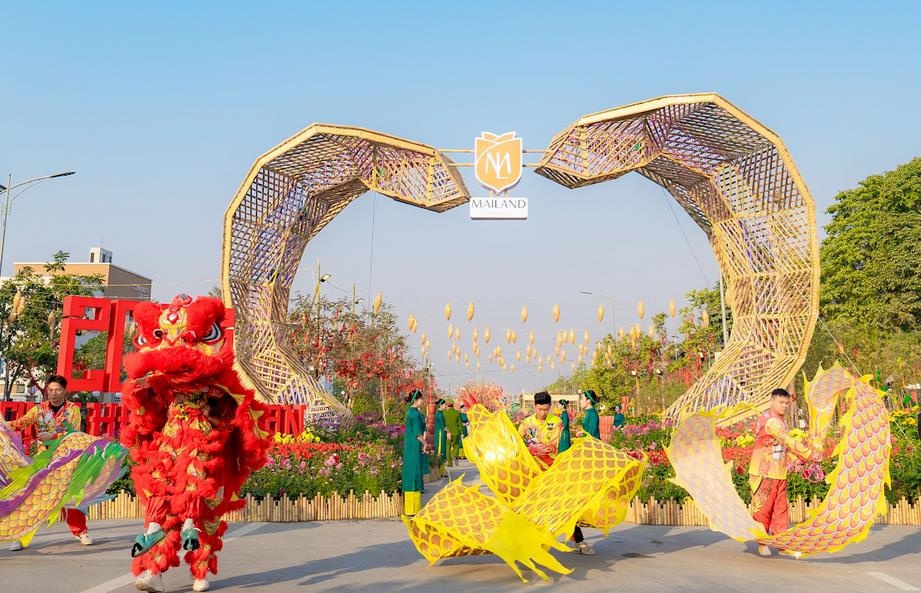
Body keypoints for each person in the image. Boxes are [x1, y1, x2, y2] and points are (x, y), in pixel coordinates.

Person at [7, 375, 94, 550]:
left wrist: (53, 436)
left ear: (64, 391)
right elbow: (20, 423)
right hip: (42, 460)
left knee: (71, 496)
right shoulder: (39, 409)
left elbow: (74, 433)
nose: (54, 393)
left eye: (57, 390)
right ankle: (20, 537)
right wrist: (3, 425)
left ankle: (80, 531)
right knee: (31, 498)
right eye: (51, 390)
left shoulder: (73, 410)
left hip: (66, 460)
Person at [518, 392, 594, 555]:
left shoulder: (556, 422)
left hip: (553, 471)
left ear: (550, 407)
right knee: (531, 509)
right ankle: (530, 544)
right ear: (534, 407)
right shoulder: (526, 423)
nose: (543, 413)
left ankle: (579, 541)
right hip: (533, 473)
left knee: (566, 505)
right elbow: (518, 443)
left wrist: (535, 447)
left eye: (546, 409)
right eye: (540, 409)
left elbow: (553, 446)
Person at [749, 388, 823, 556]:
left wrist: (796, 460)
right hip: (764, 473)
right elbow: (787, 440)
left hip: (779, 472)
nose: (784, 406)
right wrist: (809, 454)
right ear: (772, 402)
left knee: (781, 509)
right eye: (781, 402)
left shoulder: (781, 422)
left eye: (786, 403)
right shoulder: (770, 422)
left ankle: (781, 544)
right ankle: (762, 543)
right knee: (763, 510)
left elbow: (782, 446)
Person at [402, 389, 428, 516]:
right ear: (416, 400)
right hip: (414, 446)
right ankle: (415, 509)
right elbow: (418, 433)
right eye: (421, 399)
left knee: (411, 473)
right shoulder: (415, 414)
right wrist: (425, 443)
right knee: (415, 473)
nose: (423, 401)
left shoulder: (411, 412)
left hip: (410, 446)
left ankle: (411, 509)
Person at [442, 401, 462, 467]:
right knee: (456, 445)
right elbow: (460, 424)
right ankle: (454, 454)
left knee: (448, 448)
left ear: (447, 406)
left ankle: (450, 463)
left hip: (447, 433)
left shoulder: (444, 413)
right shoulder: (457, 413)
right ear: (453, 405)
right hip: (455, 432)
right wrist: (461, 433)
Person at [434, 399, 447, 466]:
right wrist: (449, 432)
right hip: (440, 434)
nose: (445, 406)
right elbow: (443, 426)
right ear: (441, 405)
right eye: (444, 404)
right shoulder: (439, 414)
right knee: (441, 449)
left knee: (442, 449)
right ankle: (440, 465)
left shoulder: (440, 413)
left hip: (440, 433)